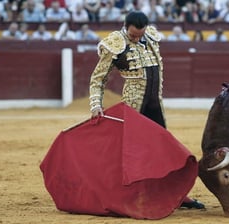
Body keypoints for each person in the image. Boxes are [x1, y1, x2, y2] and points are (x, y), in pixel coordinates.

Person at [88, 11, 205, 210]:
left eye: (139, 35)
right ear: (126, 27)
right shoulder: (115, 43)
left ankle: (177, 195)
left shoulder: (149, 37)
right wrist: (95, 104)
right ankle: (130, 196)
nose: (137, 38)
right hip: (134, 106)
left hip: (155, 104)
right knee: (134, 154)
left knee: (163, 150)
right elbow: (98, 78)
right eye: (133, 35)